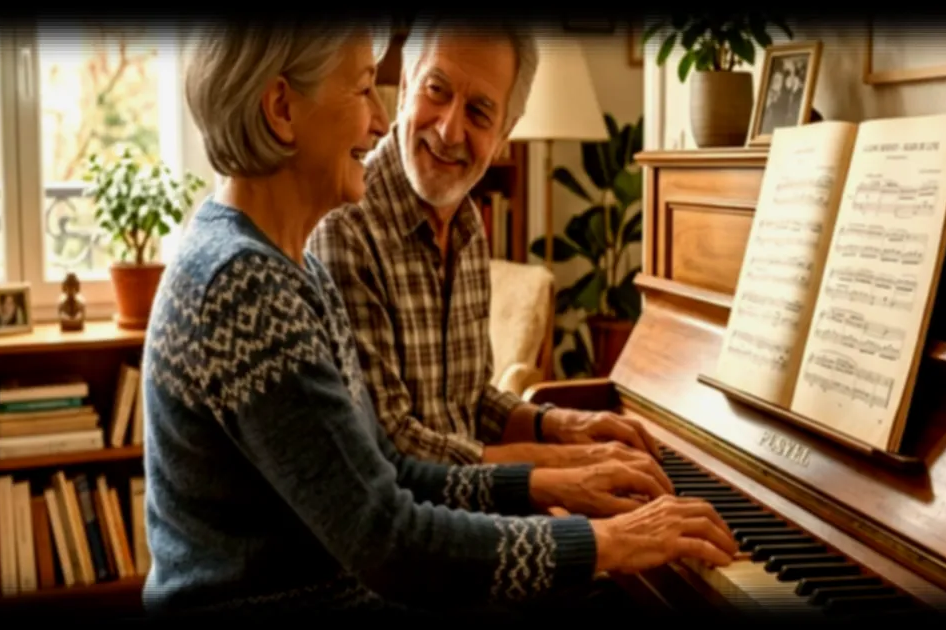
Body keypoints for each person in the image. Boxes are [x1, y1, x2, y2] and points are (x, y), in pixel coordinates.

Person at [141, 19, 738, 618]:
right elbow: (389, 541)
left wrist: (553, 475)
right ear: (281, 107)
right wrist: (608, 540)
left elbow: (388, 472)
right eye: (363, 89)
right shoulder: (245, 285)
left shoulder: (287, 268)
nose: (379, 121)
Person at [309, 18, 669, 482]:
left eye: (480, 113)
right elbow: (390, 446)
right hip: (425, 530)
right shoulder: (345, 227)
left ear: (505, 132)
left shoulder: (468, 225)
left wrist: (562, 424)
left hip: (478, 507)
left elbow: (473, 399)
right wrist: (566, 467)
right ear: (404, 85)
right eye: (436, 90)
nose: (449, 130)